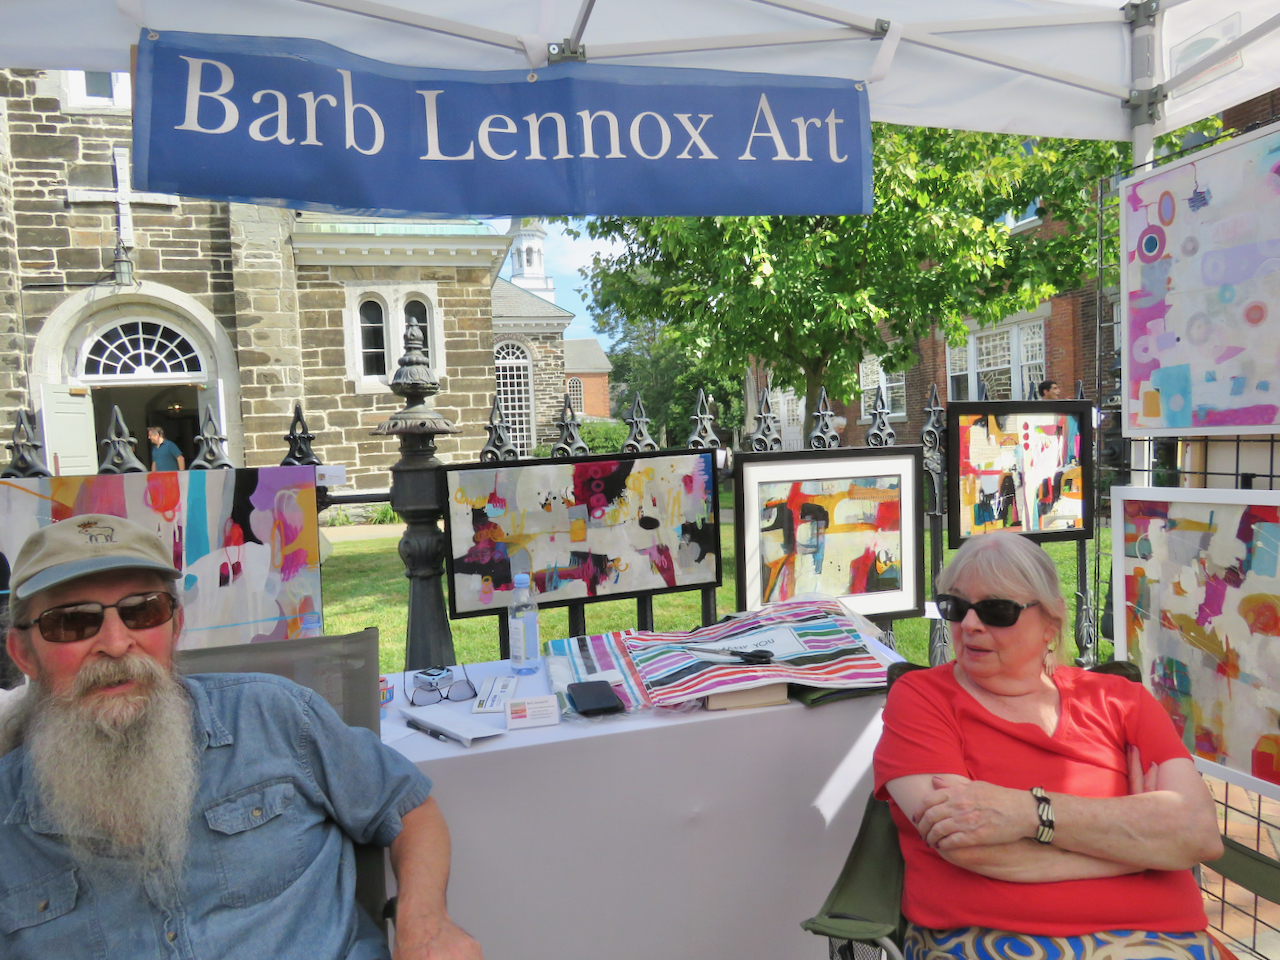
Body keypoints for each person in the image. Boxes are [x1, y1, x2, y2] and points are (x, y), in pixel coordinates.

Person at [0, 514, 483, 960]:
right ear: (22, 653)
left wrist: (425, 922)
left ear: (175, 627)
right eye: (72, 621)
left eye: (143, 611)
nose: (116, 642)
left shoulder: (274, 716)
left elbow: (406, 805)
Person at [874, 531, 1226, 960]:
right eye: (956, 607)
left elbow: (1198, 833)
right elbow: (964, 841)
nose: (969, 624)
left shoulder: (1122, 700)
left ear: (1050, 622)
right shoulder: (922, 699)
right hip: (991, 936)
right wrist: (1137, 852)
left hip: (1163, 937)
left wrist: (1026, 812)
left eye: (997, 610)